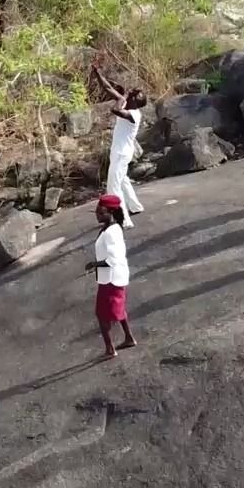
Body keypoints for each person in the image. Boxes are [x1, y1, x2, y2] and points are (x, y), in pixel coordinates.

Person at [91, 66, 147, 229]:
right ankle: (135, 206)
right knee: (122, 181)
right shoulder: (127, 106)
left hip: (122, 154)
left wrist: (125, 96)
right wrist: (98, 73)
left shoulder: (134, 115)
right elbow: (108, 88)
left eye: (132, 96)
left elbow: (115, 109)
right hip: (119, 153)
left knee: (113, 187)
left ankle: (125, 220)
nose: (128, 95)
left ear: (134, 101)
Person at [84, 195, 137, 360]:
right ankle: (128, 338)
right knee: (119, 309)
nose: (97, 215)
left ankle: (110, 349)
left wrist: (95, 264)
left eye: (101, 212)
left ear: (111, 212)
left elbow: (113, 259)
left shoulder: (111, 233)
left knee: (102, 315)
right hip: (113, 277)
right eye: (97, 212)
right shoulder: (111, 228)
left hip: (111, 279)